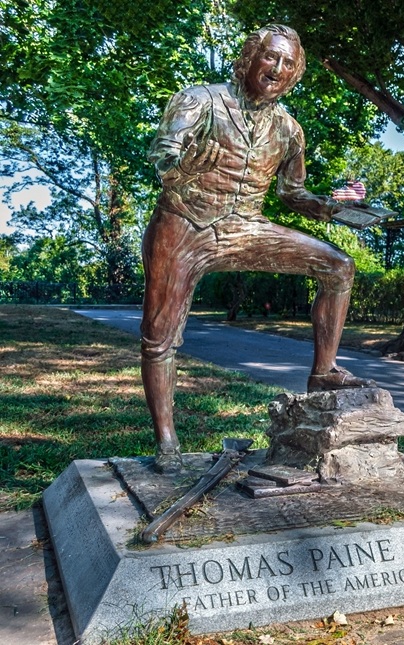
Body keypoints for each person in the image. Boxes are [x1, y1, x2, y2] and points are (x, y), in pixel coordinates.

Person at [141, 24, 373, 473]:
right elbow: (164, 151)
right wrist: (177, 164)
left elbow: (293, 194)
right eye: (271, 57)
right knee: (159, 335)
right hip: (185, 223)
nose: (278, 69)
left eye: (288, 64)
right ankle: (167, 441)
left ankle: (323, 371)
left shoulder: (288, 128)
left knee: (338, 267)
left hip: (245, 227)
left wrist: (335, 210)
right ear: (251, 57)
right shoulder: (200, 100)